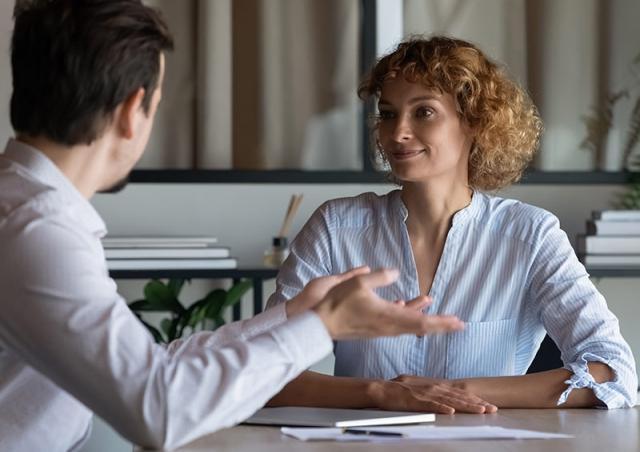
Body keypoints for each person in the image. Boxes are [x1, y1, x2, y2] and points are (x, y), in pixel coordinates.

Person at [0, 4, 466, 451]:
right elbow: (159, 410)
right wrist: (324, 327)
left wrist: (292, 317)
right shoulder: (35, 230)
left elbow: (151, 368)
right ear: (132, 110)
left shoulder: (26, 213)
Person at [266, 36, 638, 413]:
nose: (398, 133)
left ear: (475, 122)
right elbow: (263, 367)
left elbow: (615, 372)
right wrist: (380, 393)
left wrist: (453, 389)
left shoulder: (531, 235)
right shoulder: (335, 228)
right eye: (389, 113)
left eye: (423, 112)